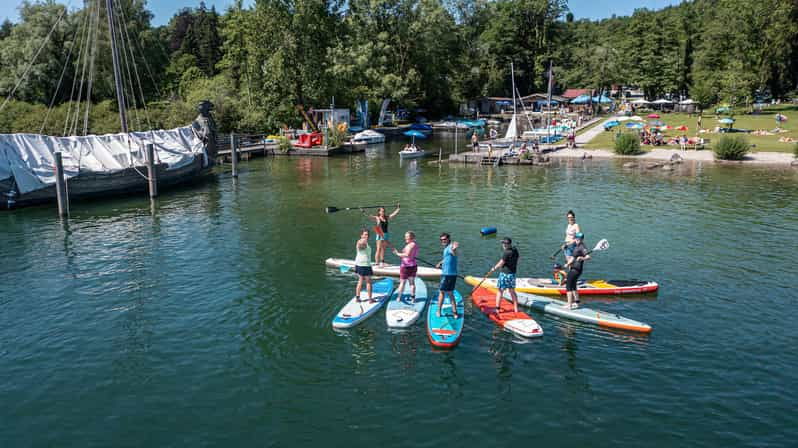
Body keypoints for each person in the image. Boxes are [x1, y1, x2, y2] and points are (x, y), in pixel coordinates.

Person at [485, 237, 520, 314]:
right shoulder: (515, 251)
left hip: (505, 274)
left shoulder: (506, 253)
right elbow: (518, 259)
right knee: (512, 292)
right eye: (502, 243)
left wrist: (493, 268)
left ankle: (497, 309)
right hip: (512, 274)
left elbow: (501, 262)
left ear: (507, 244)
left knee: (500, 291)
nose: (502, 245)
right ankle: (516, 309)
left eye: (503, 243)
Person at [435, 233, 459, 318]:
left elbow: (453, 252)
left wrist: (454, 249)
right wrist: (440, 263)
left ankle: (438, 311)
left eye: (444, 239)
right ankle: (455, 313)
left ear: (448, 239)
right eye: (441, 240)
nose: (443, 241)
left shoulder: (450, 247)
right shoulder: (446, 248)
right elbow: (447, 257)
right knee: (450, 293)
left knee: (442, 292)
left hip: (447, 274)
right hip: (452, 274)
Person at [564, 232, 590, 309]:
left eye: (579, 239)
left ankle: (569, 305)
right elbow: (572, 257)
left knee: (568, 286)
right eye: (577, 238)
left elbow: (588, 257)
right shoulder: (576, 246)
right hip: (573, 268)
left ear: (582, 239)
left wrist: (582, 258)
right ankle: (577, 303)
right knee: (574, 286)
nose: (578, 240)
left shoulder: (582, 247)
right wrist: (567, 264)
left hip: (576, 270)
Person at [392, 231, 419, 302]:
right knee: (412, 283)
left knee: (402, 283)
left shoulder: (410, 245)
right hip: (413, 265)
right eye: (405, 237)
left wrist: (397, 254)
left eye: (407, 237)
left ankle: (398, 297)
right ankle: (413, 298)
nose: (405, 238)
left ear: (412, 237)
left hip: (405, 267)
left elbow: (407, 254)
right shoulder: (415, 245)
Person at [354, 228, 374, 302]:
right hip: (364, 265)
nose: (367, 236)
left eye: (367, 235)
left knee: (360, 280)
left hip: (359, 264)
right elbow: (360, 245)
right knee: (368, 282)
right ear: (361, 235)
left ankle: (357, 298)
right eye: (365, 234)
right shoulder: (361, 241)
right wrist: (362, 242)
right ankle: (370, 299)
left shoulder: (363, 241)